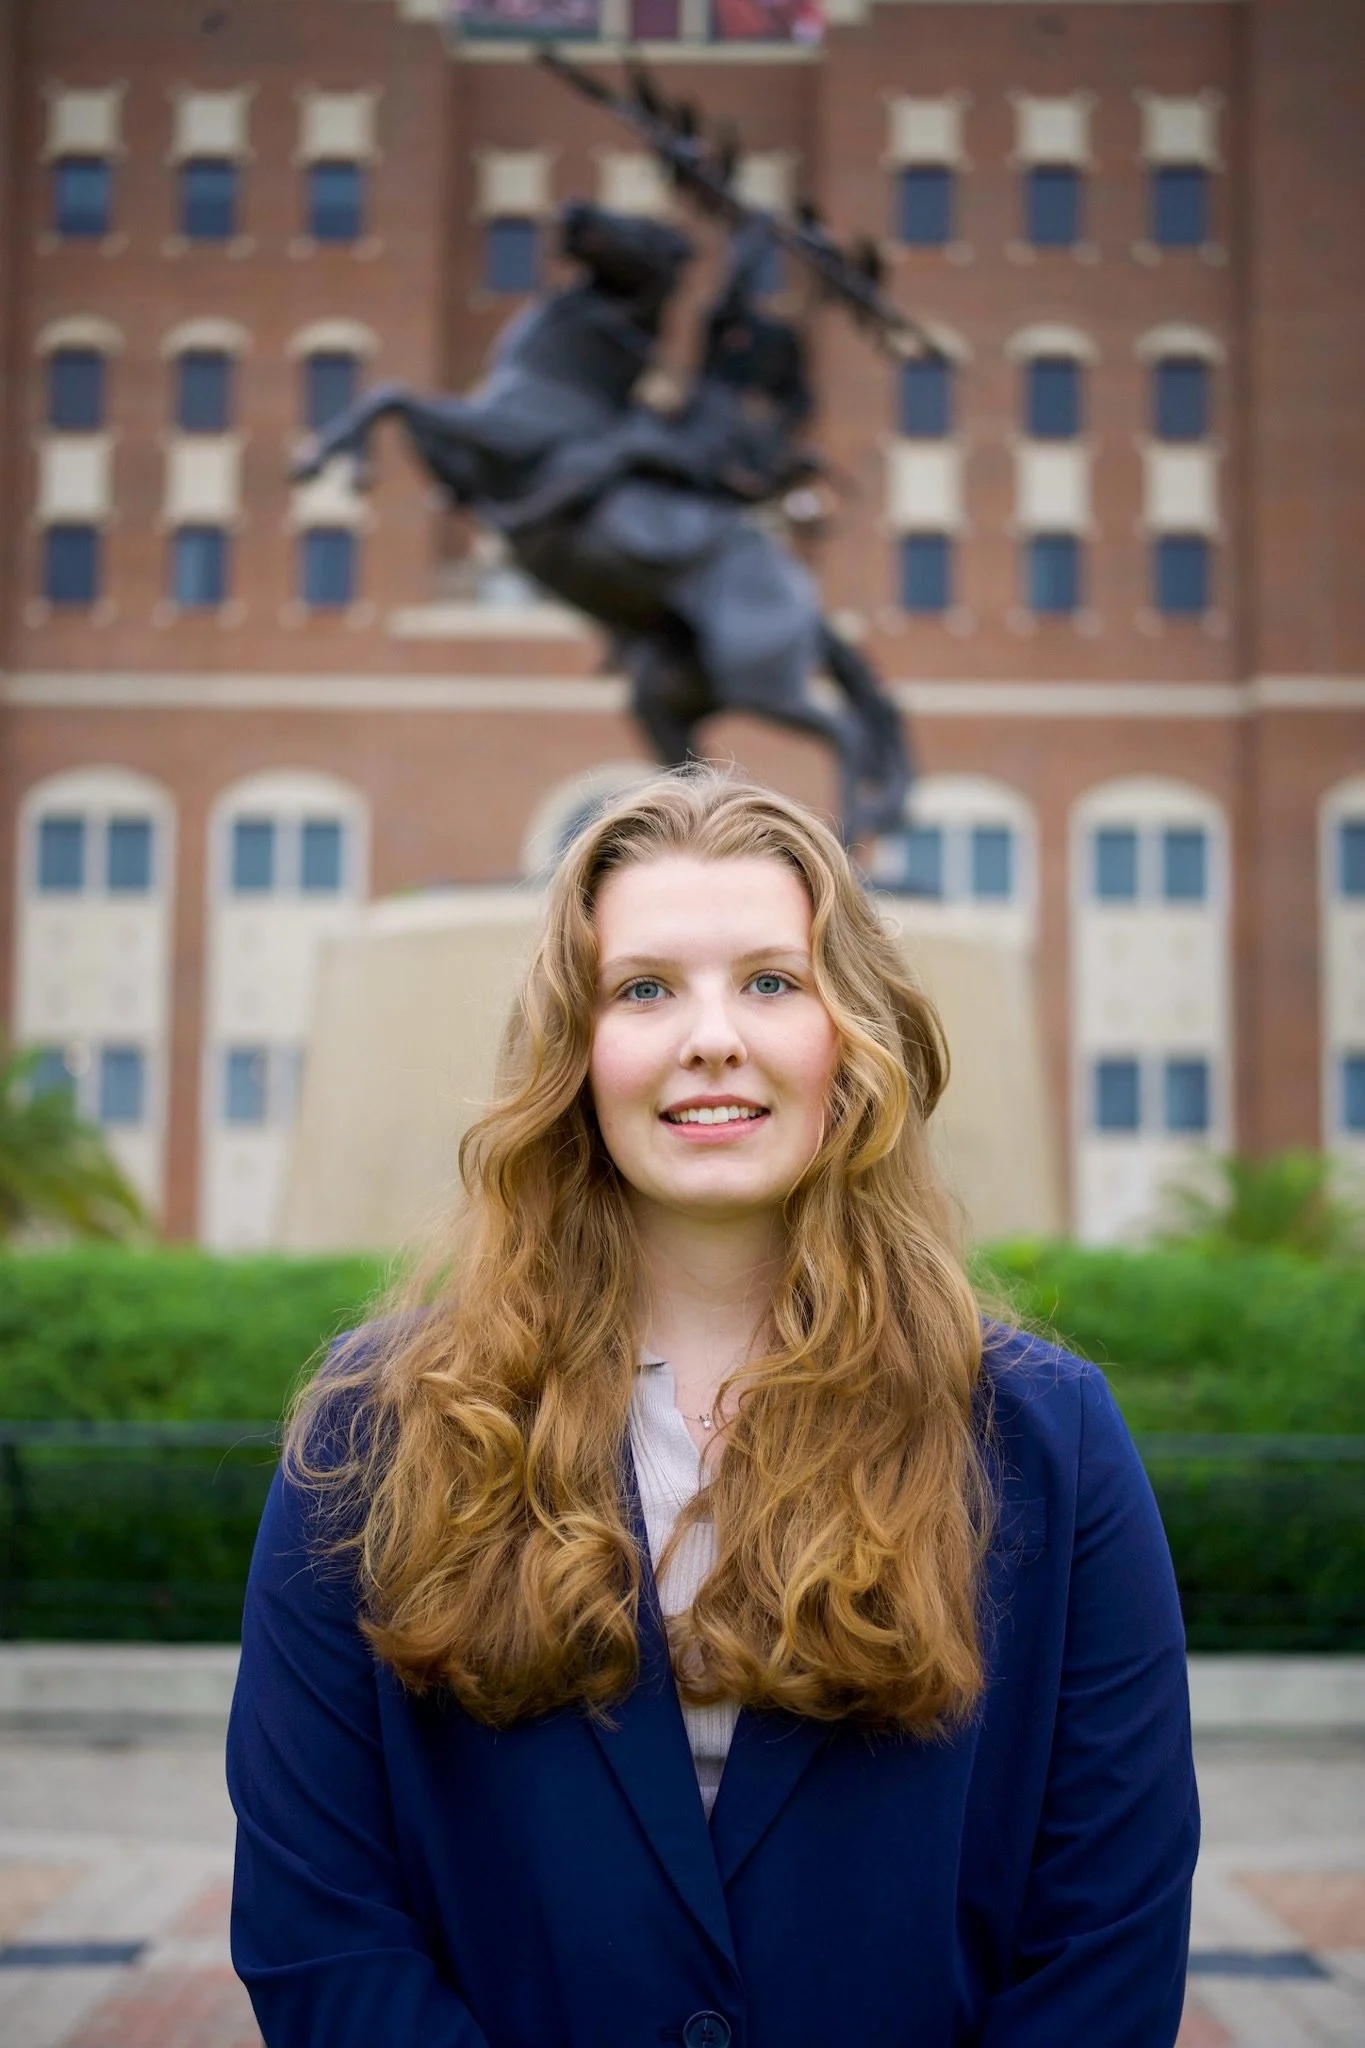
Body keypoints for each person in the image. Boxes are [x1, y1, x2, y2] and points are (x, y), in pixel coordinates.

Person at [227, 770, 1199, 2048]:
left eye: (770, 980)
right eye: (644, 988)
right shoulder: (373, 1434)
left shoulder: (1045, 1440)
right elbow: (321, 1926)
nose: (710, 1036)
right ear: (576, 1053)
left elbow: (1106, 1939)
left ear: (847, 1035)